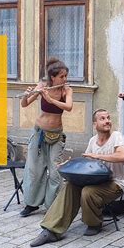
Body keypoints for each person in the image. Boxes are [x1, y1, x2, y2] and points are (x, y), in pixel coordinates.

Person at [29, 109, 124, 247]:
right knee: (70, 185)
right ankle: (51, 230)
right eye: (102, 118)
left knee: (87, 191)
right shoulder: (92, 141)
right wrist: (68, 165)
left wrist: (98, 156)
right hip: (96, 180)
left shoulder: (116, 136)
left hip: (115, 183)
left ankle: (94, 223)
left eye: (108, 118)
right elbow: (85, 162)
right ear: (95, 124)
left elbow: (122, 156)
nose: (107, 121)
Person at [19, 57, 73, 217]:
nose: (65, 79)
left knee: (55, 172)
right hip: (39, 134)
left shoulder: (66, 90)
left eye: (66, 76)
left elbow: (69, 107)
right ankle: (31, 204)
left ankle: (51, 206)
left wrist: (50, 99)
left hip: (56, 136)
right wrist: (25, 95)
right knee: (34, 170)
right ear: (52, 78)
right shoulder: (42, 86)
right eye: (62, 76)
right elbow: (24, 104)